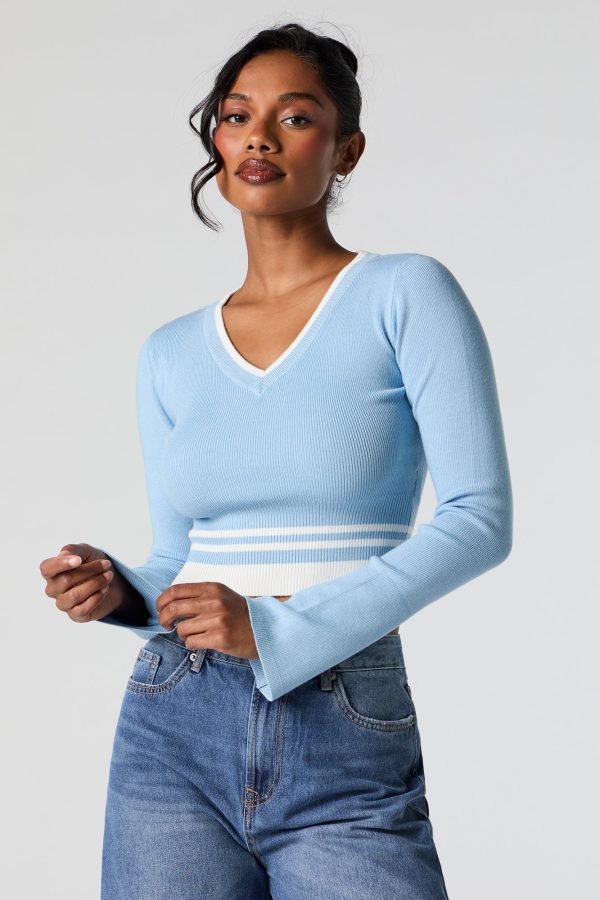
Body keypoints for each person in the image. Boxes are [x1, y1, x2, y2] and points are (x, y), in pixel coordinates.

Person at [40, 22, 512, 900]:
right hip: (173, 723)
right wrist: (119, 592)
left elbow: (480, 519)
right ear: (218, 142)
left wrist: (278, 629)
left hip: (341, 715)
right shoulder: (170, 352)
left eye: (294, 117)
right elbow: (180, 562)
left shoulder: (403, 293)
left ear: (347, 149)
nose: (258, 137)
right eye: (236, 116)